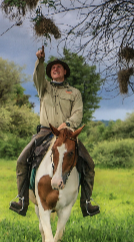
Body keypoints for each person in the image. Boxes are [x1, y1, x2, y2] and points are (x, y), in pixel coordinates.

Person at [9, 47, 100, 217]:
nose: (55, 69)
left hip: (67, 134)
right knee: (22, 160)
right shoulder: (43, 88)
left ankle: (86, 203)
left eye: (58, 67)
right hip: (45, 132)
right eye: (52, 68)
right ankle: (22, 200)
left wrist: (66, 124)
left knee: (89, 163)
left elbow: (78, 113)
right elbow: (37, 76)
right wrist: (40, 61)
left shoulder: (74, 93)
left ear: (65, 71)